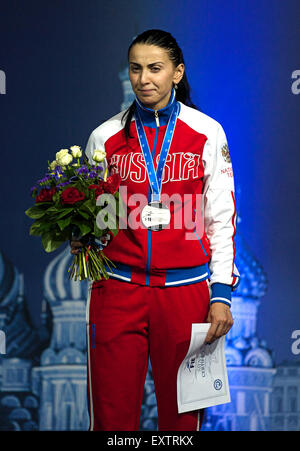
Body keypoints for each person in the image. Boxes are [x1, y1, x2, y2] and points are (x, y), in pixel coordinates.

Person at [70, 29, 240, 432]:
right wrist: (80, 234)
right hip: (117, 290)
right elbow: (94, 213)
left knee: (183, 423)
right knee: (111, 420)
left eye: (155, 68)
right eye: (135, 69)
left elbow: (221, 218)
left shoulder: (207, 132)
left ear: (177, 73)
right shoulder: (105, 136)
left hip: (186, 294)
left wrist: (221, 294)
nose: (144, 78)